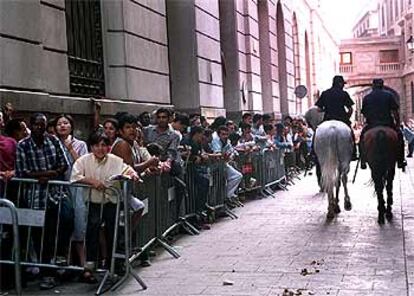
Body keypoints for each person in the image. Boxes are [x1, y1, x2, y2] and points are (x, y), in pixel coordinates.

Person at [71, 130, 140, 282]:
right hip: (94, 202)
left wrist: (133, 175)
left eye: (103, 145)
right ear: (91, 147)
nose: (100, 149)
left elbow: (127, 169)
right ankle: (90, 263)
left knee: (113, 232)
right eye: (96, 145)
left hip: (112, 202)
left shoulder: (114, 160)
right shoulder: (83, 160)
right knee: (92, 229)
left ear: (108, 147)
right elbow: (75, 177)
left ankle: (112, 264)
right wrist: (92, 181)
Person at [15, 113, 71, 290]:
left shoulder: (53, 141)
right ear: (32, 125)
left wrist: (51, 174)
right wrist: (45, 174)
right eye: (37, 125)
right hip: (35, 198)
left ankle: (59, 262)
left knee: (65, 222)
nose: (40, 128)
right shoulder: (23, 145)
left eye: (43, 125)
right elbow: (22, 171)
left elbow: (63, 164)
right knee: (41, 238)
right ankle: (47, 272)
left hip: (55, 194)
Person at [54, 114, 88, 267]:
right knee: (63, 225)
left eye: (66, 123)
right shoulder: (52, 143)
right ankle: (65, 264)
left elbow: (83, 165)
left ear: (71, 126)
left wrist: (70, 148)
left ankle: (82, 264)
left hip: (77, 188)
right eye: (59, 123)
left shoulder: (80, 144)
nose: (62, 126)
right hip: (59, 188)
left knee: (79, 224)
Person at [359, 78, 406, 170]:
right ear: (382, 85)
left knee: (362, 139)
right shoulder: (389, 95)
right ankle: (401, 160)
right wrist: (397, 124)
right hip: (387, 123)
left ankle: (363, 160)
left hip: (372, 124)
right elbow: (395, 111)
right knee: (400, 137)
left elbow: (364, 113)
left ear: (373, 86)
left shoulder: (367, 97)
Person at [315, 75, 357, 160]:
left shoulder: (325, 93)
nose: (343, 86)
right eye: (343, 84)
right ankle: (354, 153)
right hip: (342, 119)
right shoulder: (344, 94)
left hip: (328, 118)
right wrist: (347, 117)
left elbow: (318, 109)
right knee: (351, 134)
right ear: (340, 83)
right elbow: (350, 109)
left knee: (316, 135)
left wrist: (325, 109)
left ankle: (313, 153)